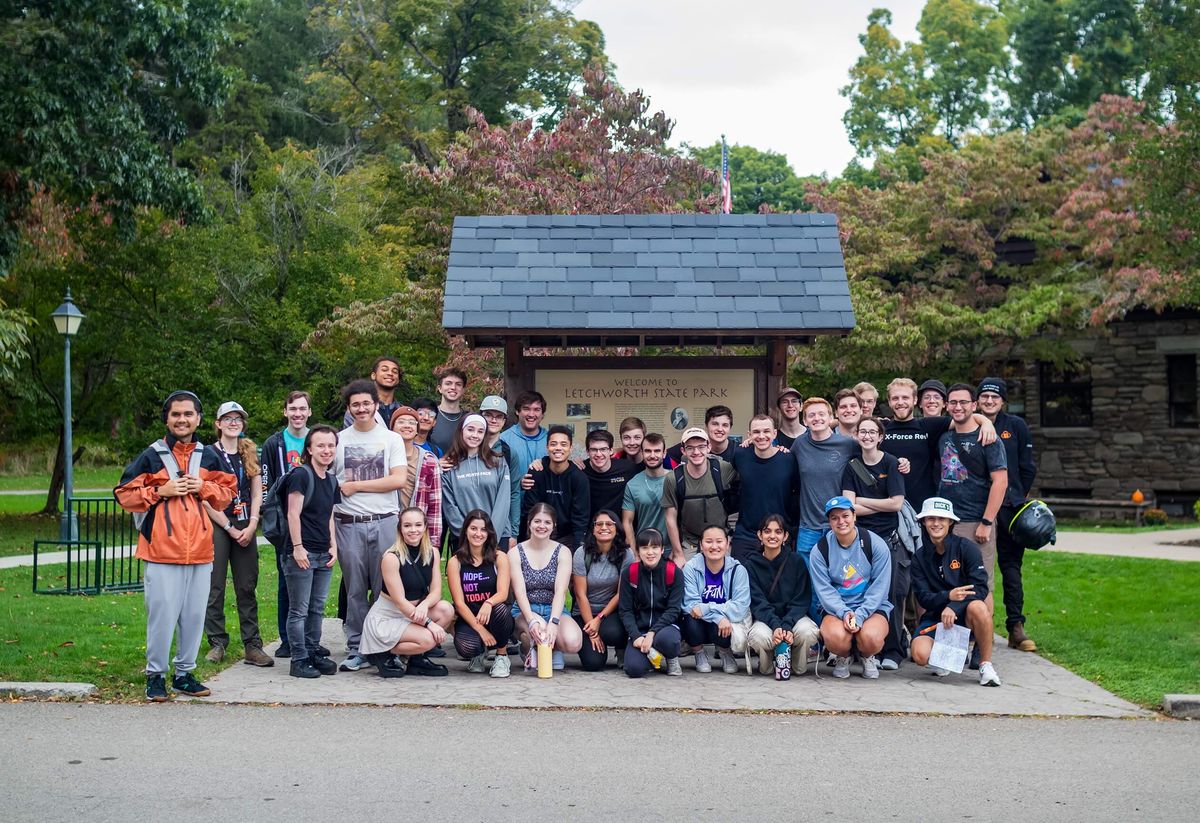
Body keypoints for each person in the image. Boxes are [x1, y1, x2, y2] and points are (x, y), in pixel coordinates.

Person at [115, 391, 237, 701]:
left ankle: (184, 674)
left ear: (198, 419)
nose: (182, 419)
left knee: (195, 617)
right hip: (161, 551)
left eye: (188, 414)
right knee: (162, 616)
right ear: (166, 419)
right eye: (175, 414)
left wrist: (203, 486)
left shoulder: (208, 456)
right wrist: (160, 491)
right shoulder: (151, 456)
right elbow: (124, 494)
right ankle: (155, 675)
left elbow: (228, 494)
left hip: (200, 550)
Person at [334, 379, 408, 672]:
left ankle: (381, 645)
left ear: (376, 405)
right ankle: (356, 646)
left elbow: (398, 479)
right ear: (349, 409)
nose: (361, 409)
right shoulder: (338, 440)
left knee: (385, 589)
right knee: (354, 588)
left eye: (367, 403)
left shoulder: (391, 439)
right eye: (356, 405)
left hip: (385, 522)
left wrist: (356, 486)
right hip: (349, 523)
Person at [201, 401, 270, 667]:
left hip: (245, 524)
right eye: (227, 418)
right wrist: (228, 527)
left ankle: (252, 645)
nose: (233, 422)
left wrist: (253, 524)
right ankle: (217, 642)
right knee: (215, 586)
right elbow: (204, 498)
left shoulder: (249, 451)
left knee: (246, 586)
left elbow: (256, 490)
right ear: (218, 424)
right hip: (219, 524)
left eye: (238, 419)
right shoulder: (208, 454)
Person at [976, 376, 1039, 652]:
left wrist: (1017, 498)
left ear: (1003, 401)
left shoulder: (1016, 426)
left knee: (1011, 569)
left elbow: (1028, 468)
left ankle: (1015, 627)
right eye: (985, 396)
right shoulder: (970, 423)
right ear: (978, 399)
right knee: (978, 569)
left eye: (995, 397)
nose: (989, 401)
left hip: (1010, 509)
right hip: (980, 509)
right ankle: (976, 627)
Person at [910, 497, 1001, 686]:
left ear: (950, 522)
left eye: (942, 519)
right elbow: (923, 597)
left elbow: (981, 587)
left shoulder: (967, 548)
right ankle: (944, 656)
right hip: (936, 617)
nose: (936, 523)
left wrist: (954, 605)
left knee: (979, 607)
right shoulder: (919, 558)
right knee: (919, 654)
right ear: (923, 522)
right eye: (931, 518)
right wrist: (947, 597)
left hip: (965, 613)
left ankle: (986, 665)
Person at [840, 415, 907, 670]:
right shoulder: (852, 465)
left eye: (872, 432)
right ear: (856, 435)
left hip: (888, 540)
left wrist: (863, 501)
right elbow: (848, 506)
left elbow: (897, 504)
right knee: (861, 591)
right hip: (861, 541)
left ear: (880, 437)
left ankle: (892, 650)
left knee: (889, 594)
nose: (867, 436)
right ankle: (864, 649)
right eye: (862, 431)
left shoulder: (891, 464)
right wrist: (881, 504)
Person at [360, 507, 455, 677]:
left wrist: (424, 605)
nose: (413, 530)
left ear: (425, 527)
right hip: (388, 617)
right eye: (407, 525)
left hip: (414, 613)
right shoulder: (391, 557)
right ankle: (381, 652)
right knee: (428, 638)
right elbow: (400, 602)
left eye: (418, 525)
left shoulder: (432, 552)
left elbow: (436, 591)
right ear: (400, 529)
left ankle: (416, 661)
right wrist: (429, 623)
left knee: (446, 609)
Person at [938, 383, 1008, 613]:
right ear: (947, 406)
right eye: (953, 402)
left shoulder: (988, 438)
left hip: (975, 521)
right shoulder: (945, 436)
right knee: (952, 580)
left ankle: (982, 642)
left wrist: (986, 522)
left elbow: (1000, 481)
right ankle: (962, 637)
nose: (958, 407)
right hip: (947, 521)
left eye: (964, 402)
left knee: (981, 583)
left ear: (974, 405)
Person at [281, 425, 341, 679]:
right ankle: (299, 658)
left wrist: (333, 546)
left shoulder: (332, 479)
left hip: (322, 553)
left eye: (330, 445)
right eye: (320, 446)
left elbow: (329, 516)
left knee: (317, 608)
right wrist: (297, 548)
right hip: (301, 552)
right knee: (299, 610)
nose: (326, 450)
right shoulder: (301, 476)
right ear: (309, 449)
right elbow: (292, 513)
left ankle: (314, 649)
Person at [259, 390, 316, 660]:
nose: (297, 413)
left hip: (313, 517)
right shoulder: (274, 443)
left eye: (302, 408)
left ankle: (308, 637)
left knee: (313, 581)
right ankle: (286, 638)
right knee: (287, 581)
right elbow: (266, 481)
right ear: (285, 412)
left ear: (309, 412)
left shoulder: (316, 439)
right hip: (284, 518)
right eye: (292, 408)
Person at [810, 496, 892, 680]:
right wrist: (844, 612)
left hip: (871, 608)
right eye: (834, 518)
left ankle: (866, 655)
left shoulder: (875, 544)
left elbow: (880, 588)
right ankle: (843, 656)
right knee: (835, 638)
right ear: (829, 522)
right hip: (837, 609)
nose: (841, 522)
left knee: (870, 638)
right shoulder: (820, 549)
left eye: (845, 515)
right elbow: (824, 591)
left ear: (854, 516)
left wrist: (861, 615)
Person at [509, 503, 583, 670]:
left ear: (554, 526)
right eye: (537, 521)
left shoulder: (563, 551)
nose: (542, 526)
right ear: (529, 523)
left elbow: (560, 591)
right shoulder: (515, 552)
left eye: (547, 522)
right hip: (525, 610)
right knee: (540, 628)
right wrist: (532, 621)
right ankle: (528, 645)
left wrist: (554, 622)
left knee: (573, 642)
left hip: (554, 608)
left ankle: (550, 648)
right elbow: (519, 592)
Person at [744, 514, 821, 675]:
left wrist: (786, 625)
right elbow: (757, 601)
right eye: (767, 531)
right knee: (758, 636)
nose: (772, 536)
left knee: (809, 631)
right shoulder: (751, 565)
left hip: (793, 618)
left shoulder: (796, 562)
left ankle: (797, 664)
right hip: (766, 619)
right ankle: (766, 665)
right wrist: (776, 625)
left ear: (785, 536)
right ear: (760, 535)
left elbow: (801, 599)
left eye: (778, 532)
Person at [791, 398, 860, 564]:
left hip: (840, 524)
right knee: (808, 582)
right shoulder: (800, 444)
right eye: (811, 415)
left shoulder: (848, 445)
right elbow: (781, 458)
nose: (817, 418)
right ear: (805, 420)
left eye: (821, 414)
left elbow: (871, 463)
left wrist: (899, 462)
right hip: (809, 526)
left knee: (842, 577)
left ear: (831, 417)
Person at [447, 510, 514, 677]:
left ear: (489, 532)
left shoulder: (500, 557)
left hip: (495, 616)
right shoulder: (455, 562)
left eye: (483, 529)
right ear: (465, 531)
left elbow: (503, 593)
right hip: (470, 619)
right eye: (473, 529)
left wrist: (488, 603)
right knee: (467, 648)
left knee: (500, 609)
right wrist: (480, 629)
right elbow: (459, 603)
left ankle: (501, 655)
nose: (478, 534)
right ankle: (479, 653)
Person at [661, 427, 738, 567]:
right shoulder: (674, 478)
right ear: (683, 451)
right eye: (690, 448)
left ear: (709, 447)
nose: (696, 452)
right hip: (690, 542)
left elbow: (747, 483)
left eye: (701, 447)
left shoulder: (722, 469)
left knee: (725, 580)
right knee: (686, 580)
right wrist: (678, 553)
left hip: (720, 540)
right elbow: (670, 517)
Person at [727, 414, 799, 561]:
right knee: (740, 580)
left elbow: (796, 494)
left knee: (776, 582)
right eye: (756, 432)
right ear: (749, 435)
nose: (761, 436)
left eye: (766, 431)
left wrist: (790, 531)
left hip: (777, 533)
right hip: (746, 534)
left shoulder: (788, 459)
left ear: (774, 433)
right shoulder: (740, 455)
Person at [681, 525, 751, 674]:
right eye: (708, 542)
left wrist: (708, 610)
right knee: (689, 621)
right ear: (701, 544)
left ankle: (725, 652)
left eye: (719, 541)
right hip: (698, 622)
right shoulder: (690, 568)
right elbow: (690, 605)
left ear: (727, 543)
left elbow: (740, 607)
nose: (714, 546)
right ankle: (699, 653)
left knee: (722, 622)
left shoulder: (738, 570)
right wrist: (717, 616)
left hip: (724, 624)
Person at [617, 528, 684, 677]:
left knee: (669, 641)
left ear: (662, 550)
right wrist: (636, 635)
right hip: (640, 629)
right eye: (645, 548)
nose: (650, 552)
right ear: (638, 550)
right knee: (633, 670)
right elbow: (625, 610)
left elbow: (674, 609)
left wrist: (652, 633)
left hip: (665, 628)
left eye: (654, 547)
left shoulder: (674, 572)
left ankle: (671, 658)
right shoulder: (630, 572)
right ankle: (652, 656)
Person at [572, 510, 633, 671]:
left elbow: (621, 593)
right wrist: (592, 629)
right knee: (593, 664)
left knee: (614, 632)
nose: (604, 527)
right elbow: (580, 594)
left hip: (610, 613)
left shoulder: (626, 554)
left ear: (617, 528)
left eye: (609, 524)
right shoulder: (581, 553)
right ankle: (597, 642)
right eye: (599, 524)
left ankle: (621, 648)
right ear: (593, 529)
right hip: (584, 614)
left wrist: (599, 618)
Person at [442, 413, 512, 547]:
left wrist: (490, 535)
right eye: (470, 429)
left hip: (497, 536)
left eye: (480, 431)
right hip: (464, 539)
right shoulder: (449, 465)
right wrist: (469, 535)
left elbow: (503, 502)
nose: (475, 435)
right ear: (461, 431)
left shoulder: (498, 461)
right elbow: (450, 507)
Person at [521, 424, 589, 547]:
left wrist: (578, 548)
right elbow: (529, 510)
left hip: (567, 537)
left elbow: (580, 519)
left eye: (563, 444)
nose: (558, 448)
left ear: (570, 448)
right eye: (553, 444)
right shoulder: (537, 472)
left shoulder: (579, 478)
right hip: (538, 533)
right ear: (547, 447)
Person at [499, 390, 549, 542]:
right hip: (514, 513)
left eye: (536, 409)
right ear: (517, 411)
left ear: (542, 414)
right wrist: (517, 483)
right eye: (526, 409)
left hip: (545, 514)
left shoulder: (552, 440)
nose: (531, 414)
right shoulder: (504, 440)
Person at [389, 406, 443, 549]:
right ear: (392, 427)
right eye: (401, 422)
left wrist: (434, 543)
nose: (407, 425)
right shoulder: (383, 457)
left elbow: (435, 505)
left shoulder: (429, 460)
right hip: (388, 529)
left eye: (412, 422)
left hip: (417, 531)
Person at [621, 432, 668, 547]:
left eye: (657, 451)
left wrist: (677, 551)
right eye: (647, 451)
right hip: (645, 549)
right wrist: (634, 553)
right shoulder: (632, 484)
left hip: (671, 550)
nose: (652, 455)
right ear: (642, 453)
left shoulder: (675, 479)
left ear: (664, 453)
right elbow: (627, 522)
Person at [581, 429, 641, 519]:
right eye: (594, 449)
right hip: (591, 527)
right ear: (587, 452)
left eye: (603, 449)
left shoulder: (627, 468)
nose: (598, 454)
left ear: (611, 450)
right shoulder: (580, 470)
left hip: (619, 527)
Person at [342, 356, 403, 428]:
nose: (390, 373)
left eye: (395, 371)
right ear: (373, 376)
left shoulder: (403, 411)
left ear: (398, 379)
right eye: (384, 370)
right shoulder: (360, 409)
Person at [429, 368, 468, 455]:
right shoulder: (429, 417)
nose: (453, 387)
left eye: (458, 384)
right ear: (440, 388)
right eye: (448, 383)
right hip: (434, 467)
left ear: (463, 390)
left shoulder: (469, 419)